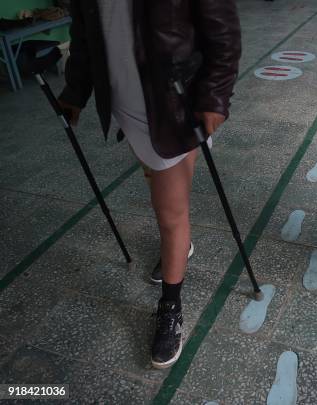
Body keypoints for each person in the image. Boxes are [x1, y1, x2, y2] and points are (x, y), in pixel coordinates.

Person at [57, 0, 241, 368]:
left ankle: (170, 307)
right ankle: (181, 246)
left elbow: (225, 34)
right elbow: (85, 36)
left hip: (174, 105)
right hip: (124, 102)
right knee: (159, 186)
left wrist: (215, 97)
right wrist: (76, 91)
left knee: (170, 213)